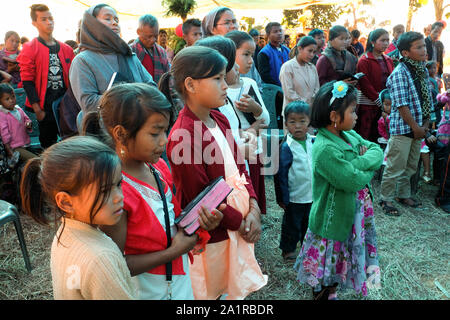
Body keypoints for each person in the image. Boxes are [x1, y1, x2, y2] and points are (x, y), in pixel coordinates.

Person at [82, 83, 223, 300]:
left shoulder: (157, 167)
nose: (164, 140)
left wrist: (199, 223)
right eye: (155, 133)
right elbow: (116, 265)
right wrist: (173, 252)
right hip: (147, 291)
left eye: (165, 131)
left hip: (176, 283)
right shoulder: (115, 194)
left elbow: (168, 220)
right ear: (120, 134)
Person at [161, 46, 268, 300]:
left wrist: (253, 207)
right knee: (213, 289)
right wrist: (241, 223)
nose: (225, 84)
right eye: (217, 78)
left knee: (233, 284)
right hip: (217, 232)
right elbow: (203, 198)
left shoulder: (219, 119)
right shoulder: (183, 136)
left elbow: (240, 166)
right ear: (191, 84)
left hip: (238, 223)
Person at [294, 80, 383, 300]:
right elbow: (351, 180)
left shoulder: (349, 135)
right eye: (353, 111)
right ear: (334, 116)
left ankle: (331, 287)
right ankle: (323, 291)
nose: (356, 117)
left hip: (354, 212)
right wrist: (367, 168)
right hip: (331, 218)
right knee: (329, 258)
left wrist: (358, 162)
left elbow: (377, 150)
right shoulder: (325, 148)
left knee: (343, 252)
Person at [20, 136, 137, 299]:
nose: (119, 197)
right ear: (66, 202)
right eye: (104, 191)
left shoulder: (64, 235)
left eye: (118, 184)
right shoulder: (101, 258)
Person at [379, 31, 432, 216]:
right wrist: (417, 128)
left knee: (410, 166)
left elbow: (427, 100)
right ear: (405, 52)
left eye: (424, 45)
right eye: (418, 47)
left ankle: (403, 194)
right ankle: (385, 198)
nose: (424, 49)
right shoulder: (400, 73)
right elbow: (401, 105)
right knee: (395, 166)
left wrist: (425, 124)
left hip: (419, 128)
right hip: (404, 129)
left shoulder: (422, 69)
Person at [70, 4, 155, 115]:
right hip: (106, 129)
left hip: (140, 122)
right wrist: (129, 99)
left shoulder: (129, 55)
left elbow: (151, 86)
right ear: (92, 25)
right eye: (108, 19)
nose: (115, 23)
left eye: (116, 19)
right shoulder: (82, 61)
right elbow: (89, 103)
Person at [224, 31, 271, 215]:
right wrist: (253, 128)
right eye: (245, 54)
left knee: (254, 198)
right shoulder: (219, 90)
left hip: (253, 150)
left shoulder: (249, 83)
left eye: (252, 55)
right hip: (235, 153)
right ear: (229, 54)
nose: (251, 60)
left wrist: (255, 109)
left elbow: (265, 121)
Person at [17, 4, 74, 149]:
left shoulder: (66, 49)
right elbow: (27, 81)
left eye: (51, 18)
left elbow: (73, 78)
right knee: (48, 145)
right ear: (34, 23)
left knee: (69, 141)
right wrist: (38, 110)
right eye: (43, 19)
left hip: (65, 104)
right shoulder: (30, 48)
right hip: (44, 107)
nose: (49, 22)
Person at [276, 101, 313, 261]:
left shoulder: (314, 141)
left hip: (312, 194)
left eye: (302, 121)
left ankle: (306, 246)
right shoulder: (286, 147)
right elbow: (280, 175)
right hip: (294, 196)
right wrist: (283, 198)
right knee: (292, 224)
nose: (297, 126)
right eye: (292, 122)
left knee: (308, 223)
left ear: (309, 122)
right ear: (286, 124)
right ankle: (288, 249)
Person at [355, 28, 394, 142]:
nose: (386, 43)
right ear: (372, 42)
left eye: (387, 40)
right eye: (382, 40)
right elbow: (365, 85)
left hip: (385, 105)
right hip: (368, 105)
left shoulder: (388, 60)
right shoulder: (364, 61)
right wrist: (379, 101)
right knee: (366, 135)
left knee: (382, 135)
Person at [279, 36, 320, 112]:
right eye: (309, 51)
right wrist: (304, 104)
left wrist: (311, 104)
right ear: (300, 49)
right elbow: (289, 93)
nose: (312, 55)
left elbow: (317, 88)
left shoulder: (312, 67)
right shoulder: (287, 67)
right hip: (293, 112)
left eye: (314, 52)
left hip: (310, 111)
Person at [129, 14, 170, 85]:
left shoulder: (161, 51)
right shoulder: (130, 51)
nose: (153, 40)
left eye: (155, 36)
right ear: (138, 32)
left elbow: (168, 75)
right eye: (149, 36)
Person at [0, 83, 36, 162]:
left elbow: (27, 119)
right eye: (7, 99)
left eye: (13, 97)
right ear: (0, 102)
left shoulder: (18, 109)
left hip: (26, 143)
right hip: (15, 147)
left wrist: (28, 124)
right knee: (35, 160)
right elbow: (4, 133)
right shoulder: (2, 114)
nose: (11, 100)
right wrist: (9, 149)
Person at [257, 22, 290, 87]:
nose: (279, 34)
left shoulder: (287, 50)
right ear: (268, 35)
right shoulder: (264, 53)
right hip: (274, 90)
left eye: (280, 31)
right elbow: (265, 76)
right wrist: (278, 88)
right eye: (275, 32)